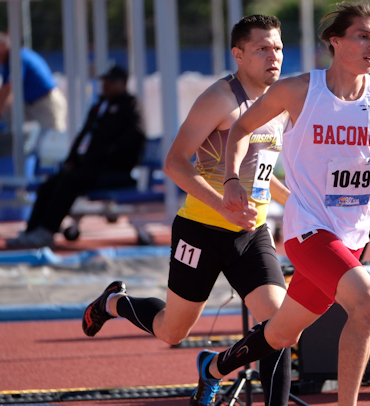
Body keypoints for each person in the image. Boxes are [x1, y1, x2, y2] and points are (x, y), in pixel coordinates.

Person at [193, 2, 370, 405]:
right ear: (335, 41)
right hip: (308, 230)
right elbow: (242, 128)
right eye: (363, 36)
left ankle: (213, 366)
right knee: (369, 305)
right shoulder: (299, 90)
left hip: (351, 236)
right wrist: (231, 179)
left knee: (283, 333)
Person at [80, 15, 293, 406]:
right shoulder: (219, 99)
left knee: (279, 327)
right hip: (201, 229)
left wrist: (292, 200)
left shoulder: (278, 102)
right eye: (262, 48)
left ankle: (216, 370)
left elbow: (260, 172)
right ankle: (114, 302)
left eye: (278, 47)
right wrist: (223, 206)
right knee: (171, 331)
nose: (273, 56)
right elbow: (175, 163)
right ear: (239, 54)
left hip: (251, 233)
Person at [6, 65, 146, 249]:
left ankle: (47, 231)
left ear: (121, 84)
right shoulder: (100, 106)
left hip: (113, 169)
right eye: (104, 82)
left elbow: (136, 135)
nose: (105, 86)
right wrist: (72, 159)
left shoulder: (130, 105)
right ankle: (32, 231)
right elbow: (84, 135)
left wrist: (110, 151)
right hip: (90, 166)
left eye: (110, 82)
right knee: (50, 184)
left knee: (70, 181)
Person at [0, 32, 68, 163]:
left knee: (54, 138)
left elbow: (11, 88)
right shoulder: (6, 61)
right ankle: (13, 155)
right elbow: (4, 91)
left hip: (47, 101)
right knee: (9, 118)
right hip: (28, 104)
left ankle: (58, 171)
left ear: (3, 46)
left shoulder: (17, 56)